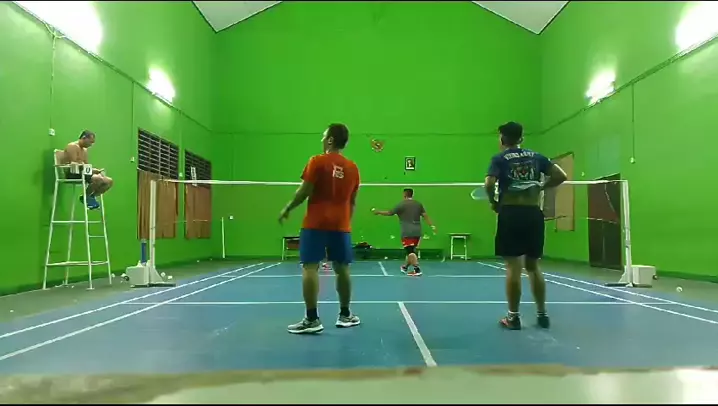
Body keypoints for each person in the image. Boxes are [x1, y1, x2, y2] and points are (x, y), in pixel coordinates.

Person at [279, 123, 361, 334]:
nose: (322, 139)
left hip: (315, 224)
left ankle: (312, 319)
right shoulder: (353, 168)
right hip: (341, 225)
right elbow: (352, 201)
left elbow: (304, 191)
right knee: (342, 268)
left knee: (310, 267)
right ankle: (345, 315)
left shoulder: (316, 161)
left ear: (331, 140)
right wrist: (346, 223)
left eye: (324, 136)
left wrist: (288, 208)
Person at [484, 121, 567, 330]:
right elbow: (561, 175)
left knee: (513, 267)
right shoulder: (537, 157)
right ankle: (542, 314)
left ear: (502, 139)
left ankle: (513, 318)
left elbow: (489, 183)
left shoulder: (499, 158)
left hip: (511, 213)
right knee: (533, 266)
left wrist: (493, 201)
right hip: (533, 213)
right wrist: (541, 186)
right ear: (521, 138)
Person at [372, 188, 435, 276]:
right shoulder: (418, 204)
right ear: (412, 194)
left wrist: (378, 212)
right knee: (411, 251)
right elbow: (425, 215)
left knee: (410, 251)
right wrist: (432, 225)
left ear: (404, 194)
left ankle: (417, 270)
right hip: (417, 231)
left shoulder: (401, 204)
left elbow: (390, 213)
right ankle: (405, 267)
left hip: (407, 232)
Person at [61, 130, 114, 210]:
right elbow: (73, 163)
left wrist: (95, 170)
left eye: (92, 143)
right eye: (90, 142)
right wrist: (84, 167)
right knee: (98, 179)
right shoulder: (72, 146)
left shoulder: (84, 150)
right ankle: (86, 197)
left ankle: (90, 197)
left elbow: (86, 166)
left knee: (108, 181)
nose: (91, 145)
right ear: (84, 137)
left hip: (82, 172)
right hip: (72, 172)